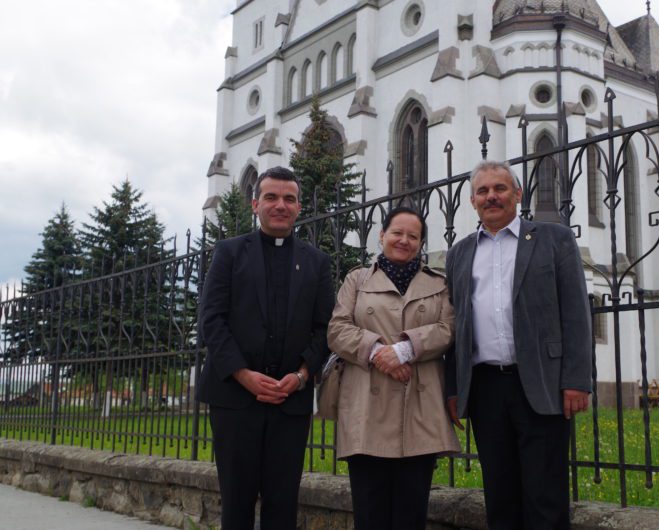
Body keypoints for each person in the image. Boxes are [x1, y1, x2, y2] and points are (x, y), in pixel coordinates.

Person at [445, 160, 592, 529]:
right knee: (500, 496)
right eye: (483, 191)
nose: (491, 196)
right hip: (485, 388)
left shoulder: (554, 239)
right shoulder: (459, 253)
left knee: (545, 498)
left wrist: (576, 379)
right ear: (472, 201)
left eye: (500, 188)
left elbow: (576, 312)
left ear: (518, 193)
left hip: (542, 383)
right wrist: (453, 387)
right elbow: (454, 325)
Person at [196, 166, 334, 530]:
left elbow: (324, 328)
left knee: (283, 502)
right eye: (271, 197)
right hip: (234, 398)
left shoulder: (317, 262)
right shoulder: (229, 253)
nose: (280, 205)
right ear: (255, 204)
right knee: (236, 502)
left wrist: (301, 376)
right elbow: (211, 319)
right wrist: (243, 375)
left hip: (290, 400)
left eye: (289, 198)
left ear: (299, 207)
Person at [327, 207, 460, 530]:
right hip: (366, 411)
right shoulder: (357, 280)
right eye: (397, 233)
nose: (404, 240)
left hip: (419, 410)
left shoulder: (438, 283)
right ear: (382, 235)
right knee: (369, 513)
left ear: (421, 243)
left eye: (413, 236)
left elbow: (450, 328)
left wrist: (405, 350)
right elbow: (337, 329)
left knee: (410, 514)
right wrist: (378, 353)